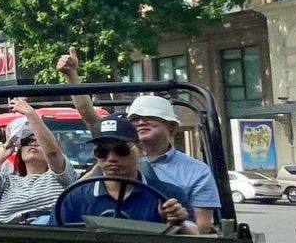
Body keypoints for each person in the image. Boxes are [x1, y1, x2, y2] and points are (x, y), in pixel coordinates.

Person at [53, 115, 191, 227]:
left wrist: (178, 223)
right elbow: (52, 242)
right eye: (102, 151)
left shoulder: (168, 196)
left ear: (140, 150)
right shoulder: (74, 197)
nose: (111, 158)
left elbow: (198, 237)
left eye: (121, 150)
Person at [124, 94, 221, 233]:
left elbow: (202, 229)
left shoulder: (197, 171)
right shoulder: (114, 163)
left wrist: (178, 222)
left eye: (150, 117)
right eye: (134, 119)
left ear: (171, 125)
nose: (141, 122)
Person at [0, 98, 78, 224]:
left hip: (47, 230)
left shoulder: (61, 177)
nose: (33, 144)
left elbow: (53, 153)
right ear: (20, 149)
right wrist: (4, 153)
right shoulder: (9, 182)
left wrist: (31, 114)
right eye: (27, 141)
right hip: (10, 233)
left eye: (39, 142)